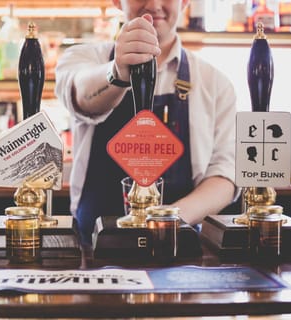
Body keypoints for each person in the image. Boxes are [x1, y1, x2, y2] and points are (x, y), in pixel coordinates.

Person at [55, 0, 238, 245]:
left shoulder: (214, 82)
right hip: (93, 251)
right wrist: (117, 72)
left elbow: (224, 174)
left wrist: (166, 221)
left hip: (178, 250)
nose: (154, 4)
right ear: (117, 2)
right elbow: (81, 95)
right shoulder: (83, 58)